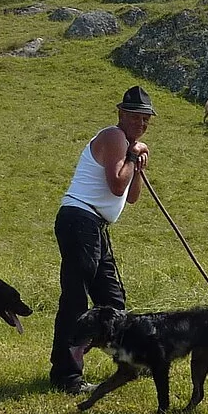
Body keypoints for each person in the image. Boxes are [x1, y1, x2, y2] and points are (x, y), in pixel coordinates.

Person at [49, 85, 154, 393]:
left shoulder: (128, 146)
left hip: (95, 225)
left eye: (146, 118)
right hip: (79, 219)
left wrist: (138, 165)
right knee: (75, 300)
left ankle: (130, 362)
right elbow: (116, 185)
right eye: (135, 116)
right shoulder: (114, 137)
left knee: (112, 301)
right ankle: (66, 376)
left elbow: (132, 196)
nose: (141, 123)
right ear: (121, 114)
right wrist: (133, 158)